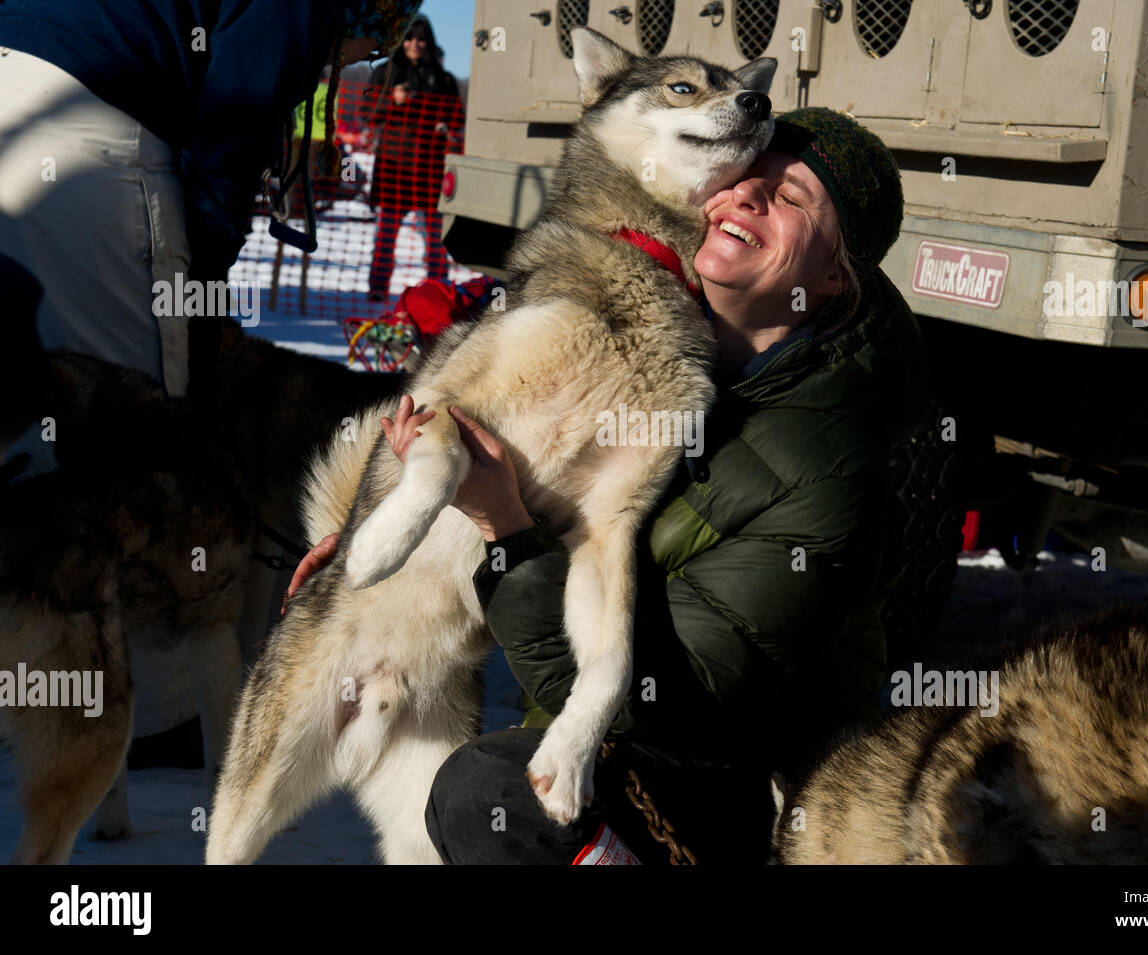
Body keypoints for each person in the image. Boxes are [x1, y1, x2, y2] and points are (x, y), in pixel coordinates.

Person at [287, 108, 930, 864]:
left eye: (793, 200)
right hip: (619, 751)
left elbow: (655, 701)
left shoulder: (829, 466)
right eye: (744, 180)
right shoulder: (648, 343)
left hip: (733, 795)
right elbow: (523, 467)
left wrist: (501, 525)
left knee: (493, 793)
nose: (751, 199)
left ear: (832, 276)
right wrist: (404, 547)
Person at [0, 0, 420, 401]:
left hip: (15, 86)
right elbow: (234, 129)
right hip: (96, 131)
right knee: (131, 423)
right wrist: (200, 299)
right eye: (378, 47)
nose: (357, 62)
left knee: (29, 404)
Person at [365, 15, 462, 301]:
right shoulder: (385, 72)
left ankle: (438, 292)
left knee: (434, 238)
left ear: (428, 42)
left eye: (421, 39)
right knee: (386, 236)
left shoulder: (443, 79)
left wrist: (448, 126)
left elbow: (458, 118)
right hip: (394, 169)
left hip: (430, 170)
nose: (414, 44)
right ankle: (377, 290)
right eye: (409, 38)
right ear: (401, 40)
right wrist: (390, 99)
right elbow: (366, 111)